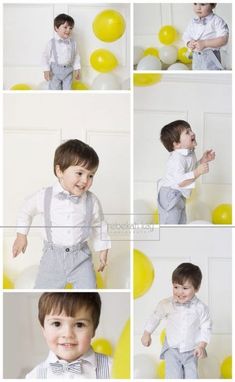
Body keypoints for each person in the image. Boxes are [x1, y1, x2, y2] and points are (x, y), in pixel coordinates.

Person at [12, 139, 111, 289]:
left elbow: (99, 226)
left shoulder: (92, 201)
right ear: (60, 171)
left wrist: (103, 249)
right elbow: (26, 211)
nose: (85, 180)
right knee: (44, 293)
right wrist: (21, 235)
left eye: (91, 175)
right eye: (79, 173)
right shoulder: (44, 196)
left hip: (81, 258)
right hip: (52, 258)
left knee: (88, 292)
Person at [141, 263, 212, 379]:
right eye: (176, 287)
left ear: (197, 288)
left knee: (192, 377)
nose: (179, 292)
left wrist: (202, 345)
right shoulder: (166, 304)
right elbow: (155, 317)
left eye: (185, 288)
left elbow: (206, 326)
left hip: (192, 350)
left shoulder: (201, 308)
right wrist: (146, 333)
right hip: (172, 349)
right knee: (173, 377)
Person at [25, 292, 111, 379]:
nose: (68, 334)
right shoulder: (34, 377)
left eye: (79, 325)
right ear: (43, 329)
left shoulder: (113, 369)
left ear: (94, 329)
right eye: (57, 324)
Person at [157, 120, 215, 224]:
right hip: (170, 194)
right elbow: (181, 181)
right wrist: (197, 172)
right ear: (177, 144)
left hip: (179, 194)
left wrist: (203, 160)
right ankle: (168, 238)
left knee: (181, 221)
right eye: (187, 132)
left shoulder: (189, 153)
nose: (192, 133)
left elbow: (190, 170)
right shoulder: (177, 158)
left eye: (191, 130)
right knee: (170, 222)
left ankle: (179, 238)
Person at [183, 3, 229, 70]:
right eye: (195, 3)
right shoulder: (193, 21)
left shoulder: (217, 21)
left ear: (213, 5)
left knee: (212, 75)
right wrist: (188, 42)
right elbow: (186, 34)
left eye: (202, 4)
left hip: (211, 57)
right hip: (196, 56)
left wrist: (205, 43)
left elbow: (224, 39)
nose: (198, 7)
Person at [42, 13, 81, 90]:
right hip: (55, 71)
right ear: (56, 28)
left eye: (70, 28)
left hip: (68, 71)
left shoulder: (73, 43)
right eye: (65, 27)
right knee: (54, 89)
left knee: (68, 90)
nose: (68, 30)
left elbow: (76, 56)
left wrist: (77, 69)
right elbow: (45, 56)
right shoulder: (51, 43)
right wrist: (46, 70)